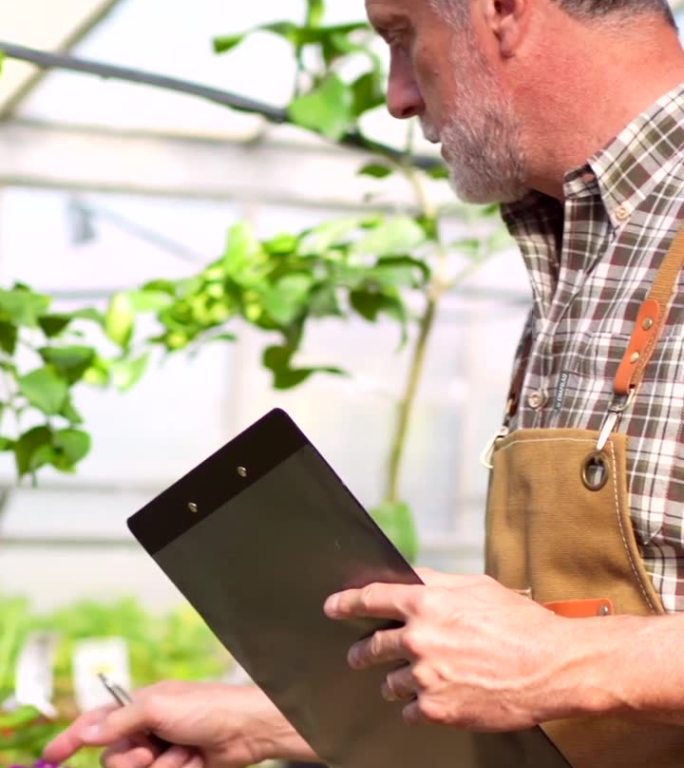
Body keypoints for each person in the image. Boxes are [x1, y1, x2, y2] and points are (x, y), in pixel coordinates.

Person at [45, 0, 684, 766]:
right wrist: (270, 721)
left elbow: (560, 664)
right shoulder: (580, 246)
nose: (397, 95)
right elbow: (558, 688)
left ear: (501, 10)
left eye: (403, 37)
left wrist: (565, 662)